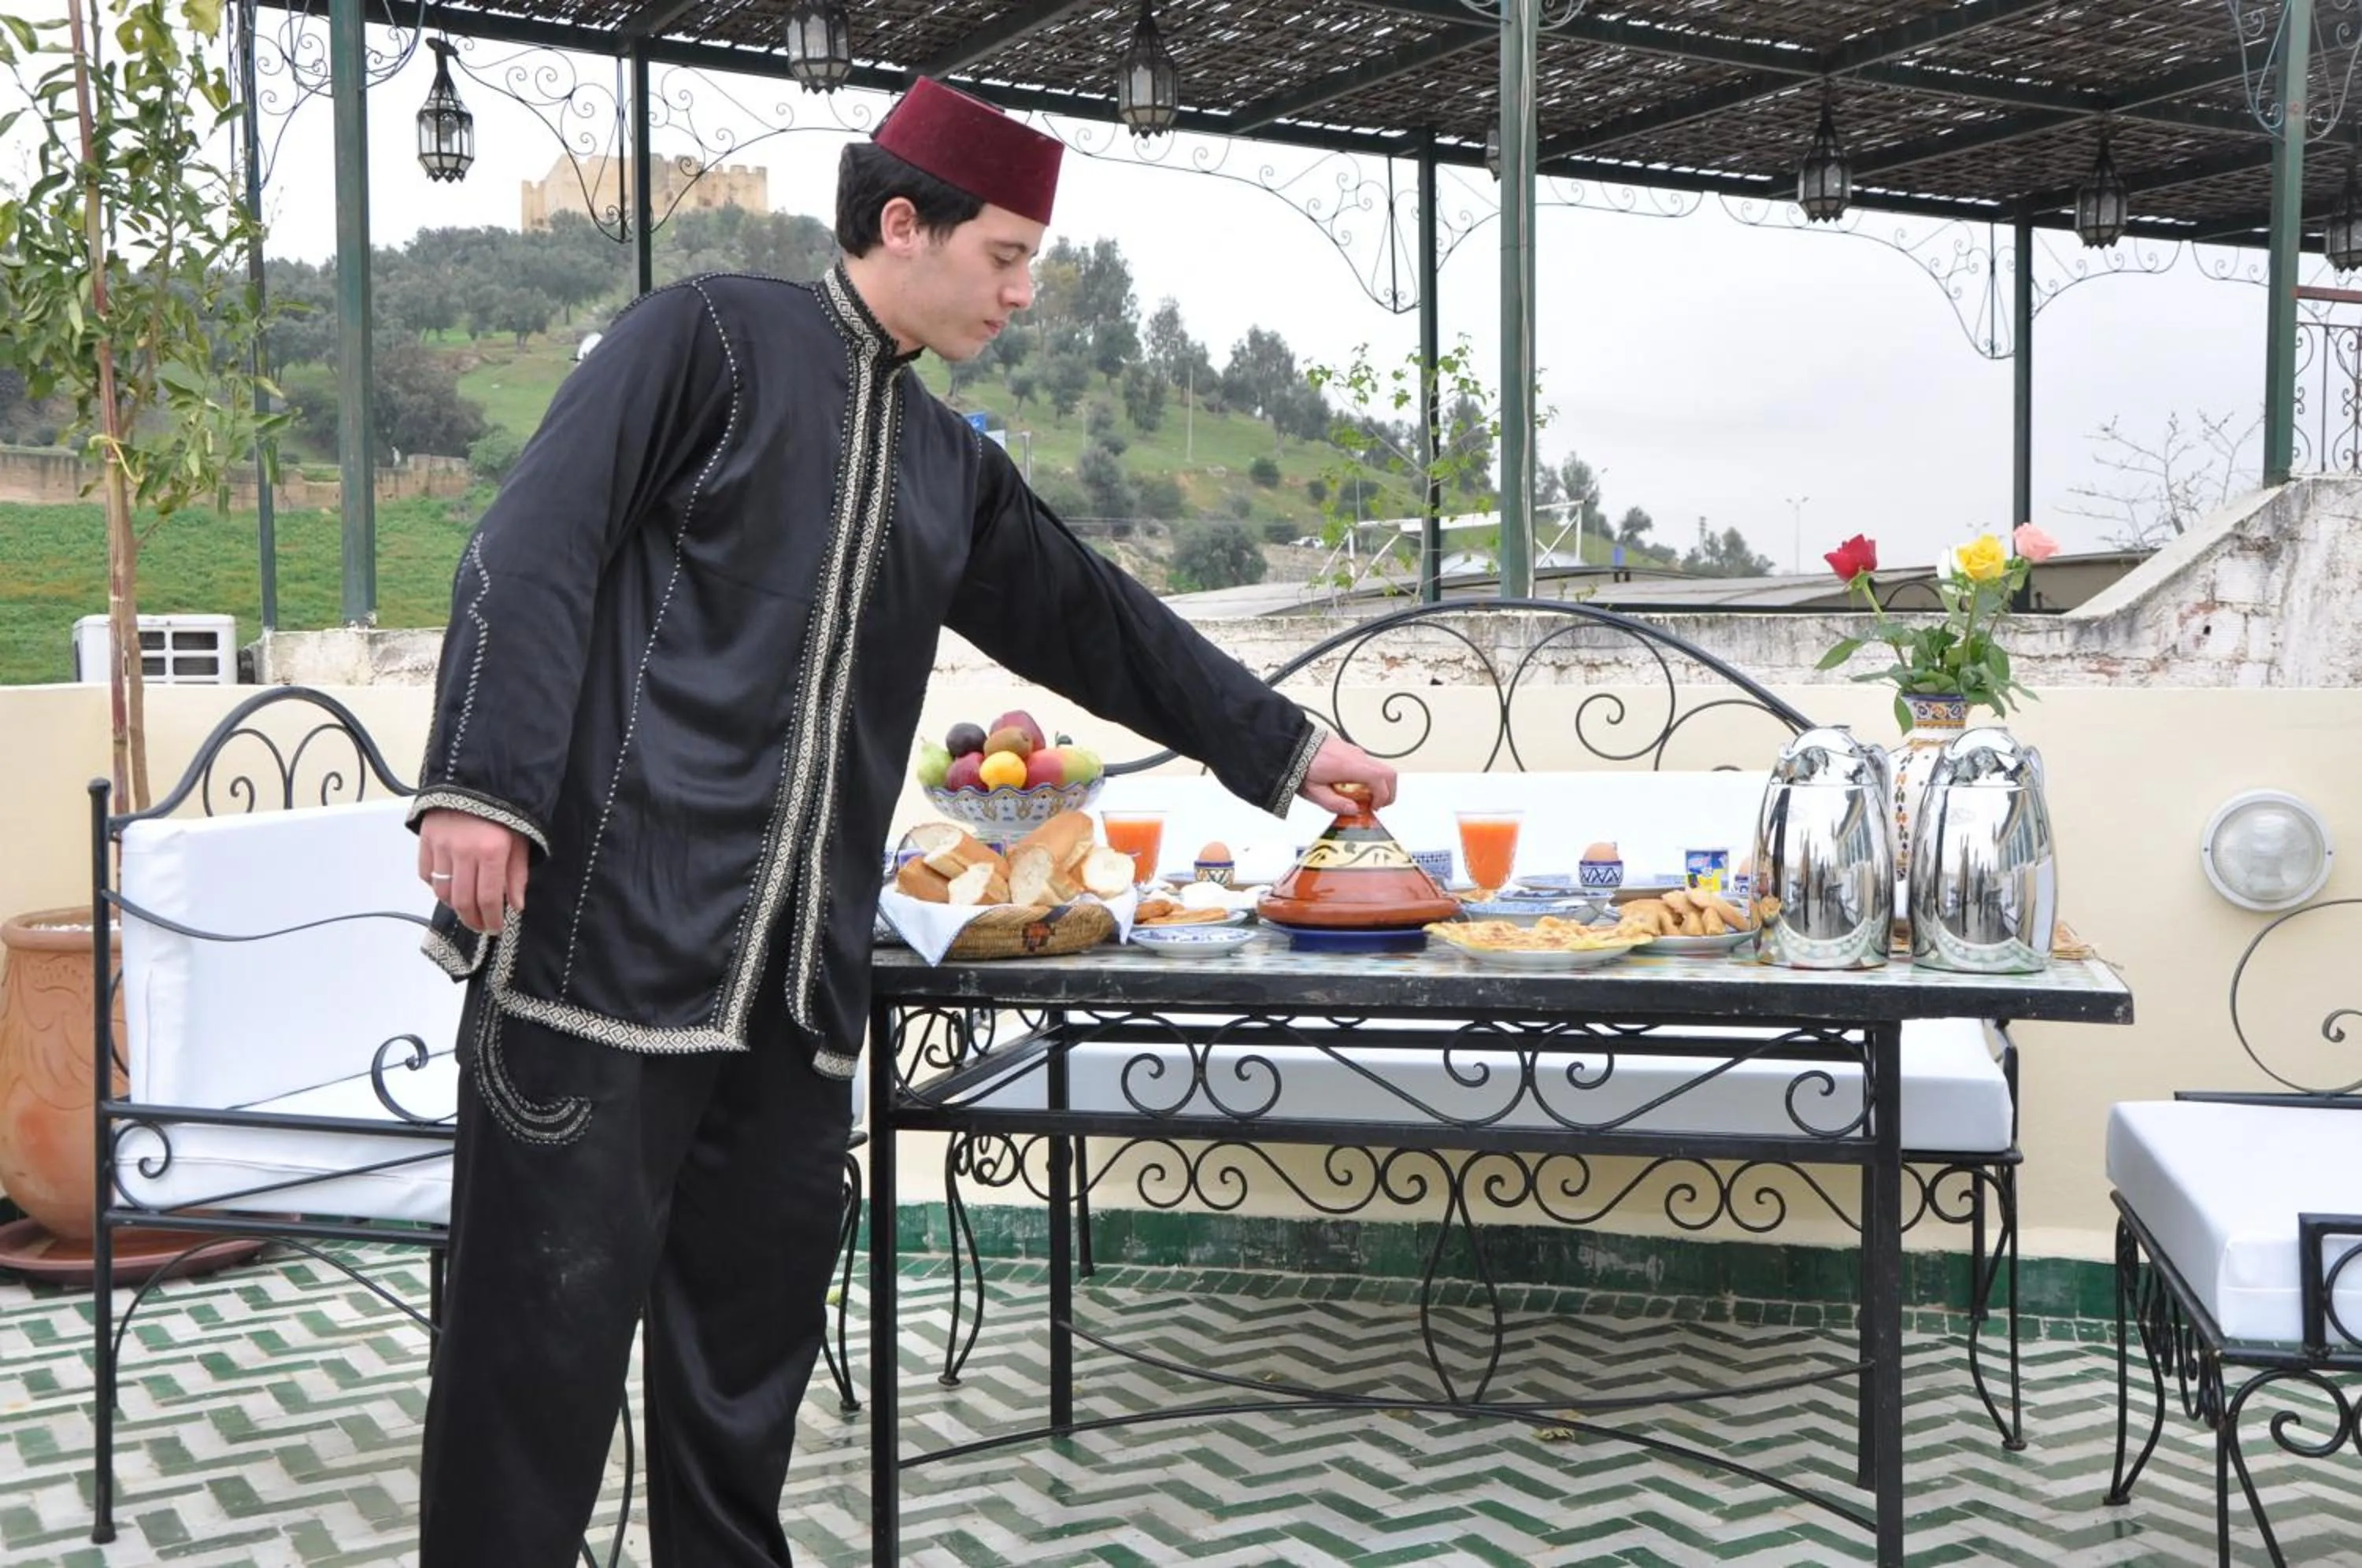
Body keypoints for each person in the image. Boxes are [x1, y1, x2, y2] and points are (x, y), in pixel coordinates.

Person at [405, 76, 1397, 1566]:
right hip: (604, 954)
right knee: (530, 1370)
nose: (1021, 292)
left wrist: (1286, 743)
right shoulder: (711, 341)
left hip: (799, 995)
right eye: (1003, 256)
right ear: (901, 224)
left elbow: (1098, 620)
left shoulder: (949, 465)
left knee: (744, 1386)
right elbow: (530, 544)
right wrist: (483, 790)